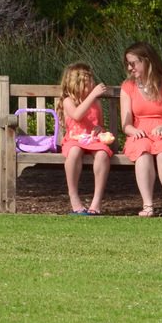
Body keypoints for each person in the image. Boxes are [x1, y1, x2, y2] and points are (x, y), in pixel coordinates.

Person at [120, 41, 162, 217]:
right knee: (142, 151)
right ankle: (148, 205)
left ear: (146, 61)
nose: (130, 68)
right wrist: (133, 131)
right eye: (128, 64)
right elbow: (125, 124)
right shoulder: (128, 87)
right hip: (139, 134)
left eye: (133, 63)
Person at [59, 61, 115, 215]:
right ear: (77, 84)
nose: (92, 84)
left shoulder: (95, 101)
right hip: (74, 139)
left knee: (103, 154)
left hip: (93, 140)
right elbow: (77, 115)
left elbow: (100, 124)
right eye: (88, 81)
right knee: (74, 152)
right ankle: (74, 197)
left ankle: (96, 202)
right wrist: (93, 95)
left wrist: (99, 129)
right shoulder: (68, 100)